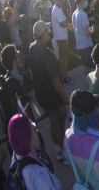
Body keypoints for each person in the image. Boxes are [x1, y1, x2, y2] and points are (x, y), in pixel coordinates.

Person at [29, 20, 70, 166]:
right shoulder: (46, 53)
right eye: (46, 31)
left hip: (42, 96)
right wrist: (64, 97)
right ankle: (66, 155)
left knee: (53, 123)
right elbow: (54, 80)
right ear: (42, 35)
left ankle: (58, 151)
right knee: (59, 125)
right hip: (53, 96)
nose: (49, 32)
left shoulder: (32, 49)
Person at [5, 113, 62, 189]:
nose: (38, 132)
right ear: (26, 137)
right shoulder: (37, 172)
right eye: (35, 130)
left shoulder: (16, 157)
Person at [73, 0, 97, 85]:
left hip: (79, 45)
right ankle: (92, 87)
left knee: (85, 69)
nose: (86, 2)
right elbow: (87, 33)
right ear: (81, 2)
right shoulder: (83, 14)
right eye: (85, 0)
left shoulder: (74, 13)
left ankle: (87, 87)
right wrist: (93, 31)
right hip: (86, 45)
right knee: (92, 69)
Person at [51, 0, 74, 85]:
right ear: (55, 0)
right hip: (61, 37)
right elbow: (64, 23)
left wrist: (66, 20)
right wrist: (66, 21)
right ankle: (64, 77)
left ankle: (64, 75)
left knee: (63, 57)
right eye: (59, 0)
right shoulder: (57, 10)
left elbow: (65, 21)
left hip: (61, 36)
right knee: (63, 58)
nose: (61, 1)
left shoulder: (58, 8)